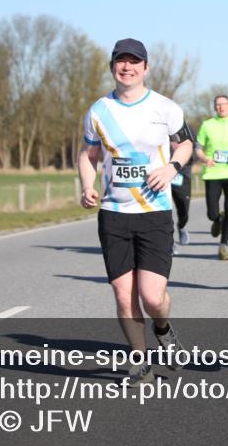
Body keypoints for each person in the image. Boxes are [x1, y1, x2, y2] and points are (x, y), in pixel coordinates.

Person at [79, 38, 192, 385]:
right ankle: (139, 360)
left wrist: (172, 167)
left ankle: (164, 328)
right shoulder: (99, 111)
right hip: (113, 214)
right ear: (113, 66)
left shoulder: (165, 108)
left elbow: (187, 143)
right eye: (120, 61)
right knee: (124, 294)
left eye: (134, 62)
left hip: (154, 213)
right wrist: (86, 185)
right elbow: (89, 154)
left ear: (145, 67)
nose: (126, 67)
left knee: (152, 296)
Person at [196, 95, 228, 261]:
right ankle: (217, 219)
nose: (221, 107)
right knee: (211, 212)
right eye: (217, 104)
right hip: (212, 173)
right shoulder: (207, 125)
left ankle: (223, 246)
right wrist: (205, 159)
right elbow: (198, 148)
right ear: (214, 107)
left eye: (223, 104)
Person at [169, 122, 195, 245]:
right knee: (163, 208)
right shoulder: (156, 126)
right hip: (162, 173)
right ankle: (168, 239)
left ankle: (182, 226)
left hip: (181, 174)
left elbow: (192, 151)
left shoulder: (186, 128)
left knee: (183, 208)